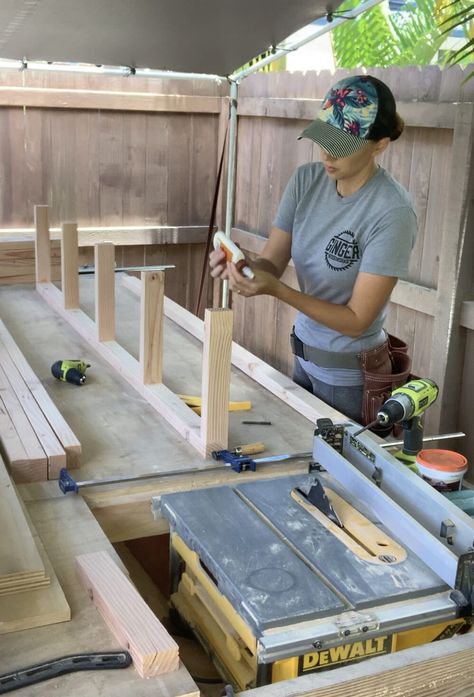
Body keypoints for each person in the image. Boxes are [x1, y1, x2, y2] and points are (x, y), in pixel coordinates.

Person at [209, 74, 417, 425]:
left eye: (343, 143)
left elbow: (356, 321)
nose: (327, 152)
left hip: (351, 379)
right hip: (303, 357)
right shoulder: (306, 180)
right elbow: (273, 261)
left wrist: (277, 290)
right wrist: (245, 263)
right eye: (323, 138)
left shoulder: (392, 212)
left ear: (379, 144)